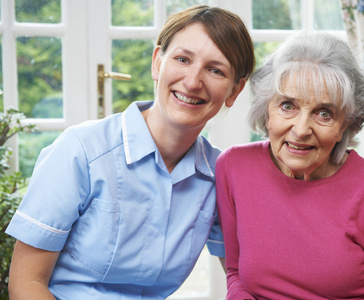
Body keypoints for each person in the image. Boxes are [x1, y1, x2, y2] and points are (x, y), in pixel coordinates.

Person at [6, 5, 254, 299]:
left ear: (235, 91)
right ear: (157, 63)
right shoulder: (81, 151)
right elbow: (26, 282)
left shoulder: (219, 174)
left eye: (215, 70)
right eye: (182, 59)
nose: (192, 81)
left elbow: (246, 275)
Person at [216, 31, 364, 299]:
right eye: (288, 105)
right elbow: (236, 272)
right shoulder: (233, 167)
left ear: (347, 125)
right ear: (266, 109)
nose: (301, 130)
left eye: (324, 113)